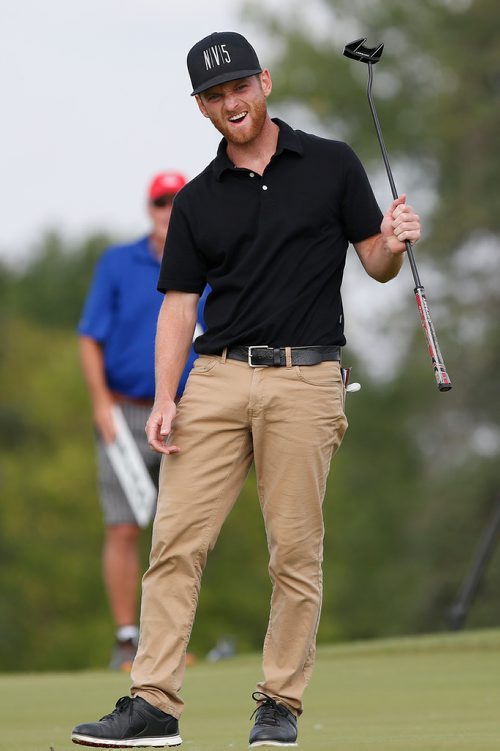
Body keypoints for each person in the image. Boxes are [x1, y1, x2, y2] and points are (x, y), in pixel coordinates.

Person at [72, 31, 421, 748]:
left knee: (295, 550)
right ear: (201, 106)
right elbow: (177, 304)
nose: (230, 102)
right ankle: (154, 703)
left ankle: (279, 703)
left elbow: (377, 263)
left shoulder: (331, 164)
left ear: (264, 82)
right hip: (219, 377)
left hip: (308, 376)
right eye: (213, 95)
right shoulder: (198, 199)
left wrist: (393, 238)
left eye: (238, 86)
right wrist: (167, 395)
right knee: (174, 540)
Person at [77, 171, 206, 671]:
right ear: (149, 208)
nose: (168, 211)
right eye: (160, 202)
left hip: (186, 408)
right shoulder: (117, 262)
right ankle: (127, 639)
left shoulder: (205, 258)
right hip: (125, 411)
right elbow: (90, 335)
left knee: (180, 531)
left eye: (176, 202)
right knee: (124, 527)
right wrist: (98, 403)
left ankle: (168, 641)